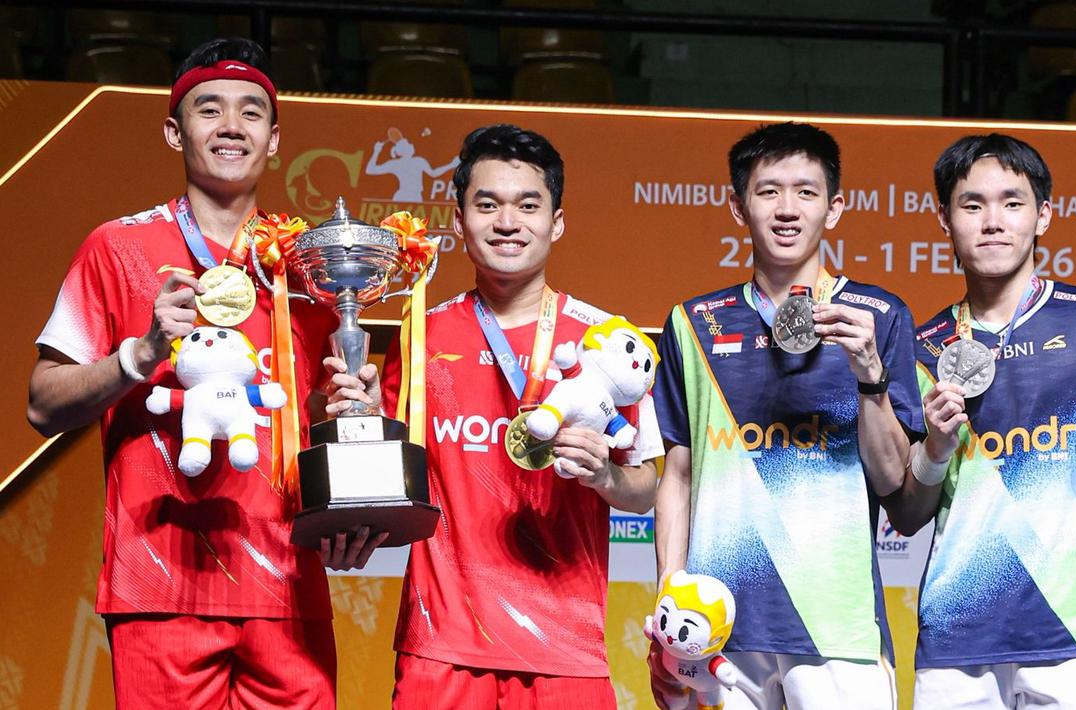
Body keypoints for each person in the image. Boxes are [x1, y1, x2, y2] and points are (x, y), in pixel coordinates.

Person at [26, 38, 376, 708]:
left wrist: (348, 476)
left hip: (286, 582)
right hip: (158, 583)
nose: (230, 126)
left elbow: (325, 412)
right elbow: (44, 405)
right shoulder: (118, 247)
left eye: (250, 112)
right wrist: (142, 352)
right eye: (208, 109)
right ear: (173, 129)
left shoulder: (309, 264)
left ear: (274, 139)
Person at [885, 133, 1076, 710]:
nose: (993, 222)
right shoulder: (924, 346)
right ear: (943, 219)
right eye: (972, 205)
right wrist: (934, 446)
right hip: (956, 639)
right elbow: (905, 513)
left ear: (1044, 215)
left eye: (1012, 202)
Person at [368, 124, 663, 708]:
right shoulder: (421, 333)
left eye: (528, 206)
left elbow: (646, 489)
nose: (508, 222)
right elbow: (395, 480)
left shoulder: (609, 341)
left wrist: (605, 477)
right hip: (441, 645)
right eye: (488, 205)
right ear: (458, 221)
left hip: (567, 651)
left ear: (556, 222)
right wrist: (361, 417)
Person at [650, 122, 924, 710]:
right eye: (768, 190)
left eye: (806, 192)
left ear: (836, 207)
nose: (787, 209)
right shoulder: (693, 323)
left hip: (837, 629)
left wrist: (870, 375)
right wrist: (670, 599)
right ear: (737, 205)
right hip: (716, 630)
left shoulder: (880, 316)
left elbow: (893, 484)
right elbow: (678, 471)